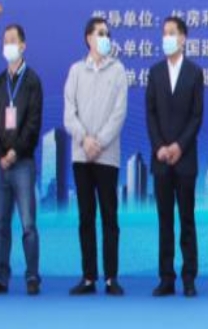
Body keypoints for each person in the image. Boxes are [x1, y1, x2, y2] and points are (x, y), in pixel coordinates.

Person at [64, 17, 128, 297]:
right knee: (86, 217)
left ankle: (111, 278)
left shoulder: (118, 70)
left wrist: (99, 141)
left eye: (108, 34)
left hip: (107, 156)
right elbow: (69, 113)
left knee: (109, 218)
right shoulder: (76, 71)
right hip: (82, 156)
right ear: (88, 38)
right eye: (100, 33)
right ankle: (89, 277)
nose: (105, 38)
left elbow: (119, 113)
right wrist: (84, 139)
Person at [0, 24, 44, 296]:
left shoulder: (32, 81)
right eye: (4, 40)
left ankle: (32, 276)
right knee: (0, 225)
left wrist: (15, 152)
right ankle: (1, 276)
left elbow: (33, 123)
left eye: (12, 40)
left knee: (28, 224)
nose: (8, 45)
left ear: (23, 46)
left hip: (23, 163)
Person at [147, 16, 205, 297]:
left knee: (186, 220)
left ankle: (189, 277)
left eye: (171, 33)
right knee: (165, 221)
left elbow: (196, 116)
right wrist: (160, 146)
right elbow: (150, 114)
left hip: (185, 159)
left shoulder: (195, 72)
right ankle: (166, 277)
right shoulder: (155, 72)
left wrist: (179, 146)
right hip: (160, 159)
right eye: (164, 33)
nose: (167, 38)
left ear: (183, 38)